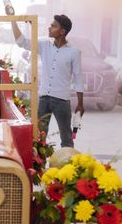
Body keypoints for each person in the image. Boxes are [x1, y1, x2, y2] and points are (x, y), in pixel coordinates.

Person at [8, 11, 84, 147]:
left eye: (53, 26)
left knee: (66, 139)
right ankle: (40, 160)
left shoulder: (74, 52)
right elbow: (22, 42)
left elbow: (78, 78)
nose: (49, 28)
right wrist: (12, 20)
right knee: (39, 137)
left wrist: (80, 103)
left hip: (62, 100)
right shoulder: (44, 44)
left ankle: (68, 161)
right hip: (44, 98)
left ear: (62, 31)